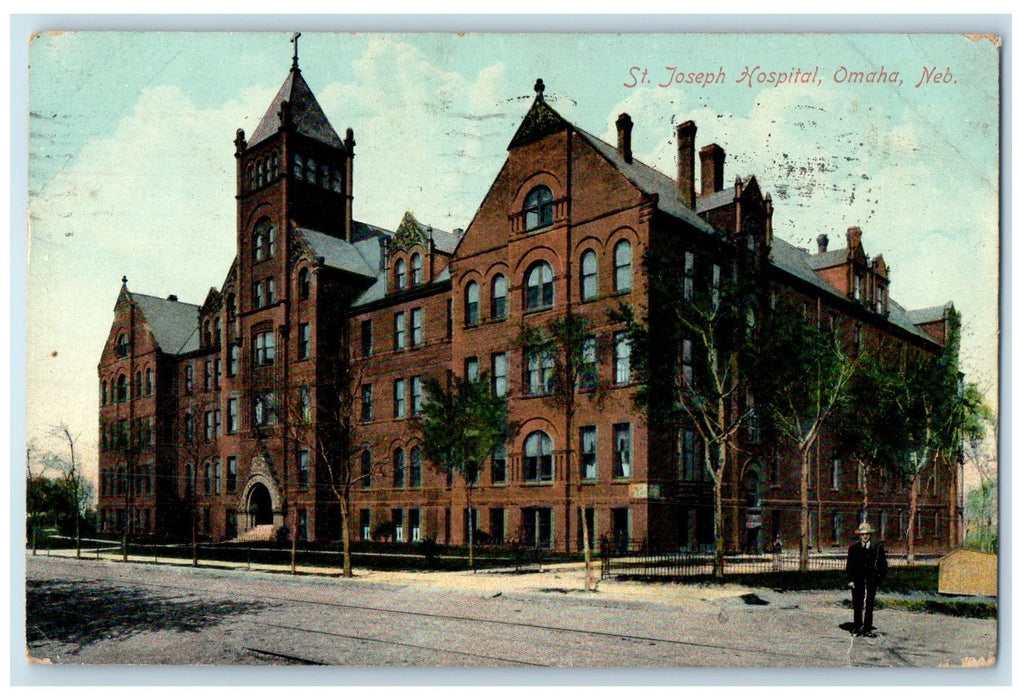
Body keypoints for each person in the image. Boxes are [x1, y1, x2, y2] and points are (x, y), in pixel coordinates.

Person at [846, 521, 888, 637]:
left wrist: (879, 579)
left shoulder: (877, 548)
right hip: (857, 581)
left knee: (869, 605)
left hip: (871, 581)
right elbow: (850, 565)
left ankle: (867, 628)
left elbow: (883, 565)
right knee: (857, 604)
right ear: (859, 536)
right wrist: (850, 580)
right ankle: (857, 627)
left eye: (867, 534)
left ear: (870, 535)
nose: (865, 536)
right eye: (862, 534)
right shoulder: (853, 549)